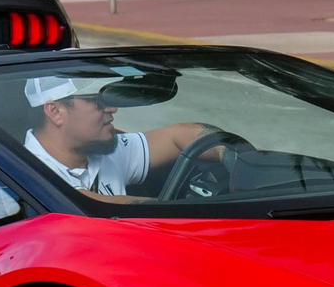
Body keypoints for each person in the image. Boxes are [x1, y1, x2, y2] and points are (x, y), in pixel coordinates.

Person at [22, 74, 215, 197]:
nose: (112, 108)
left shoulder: (101, 149)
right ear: (55, 111)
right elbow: (90, 203)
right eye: (98, 101)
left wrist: (234, 151)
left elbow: (179, 135)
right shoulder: (22, 172)